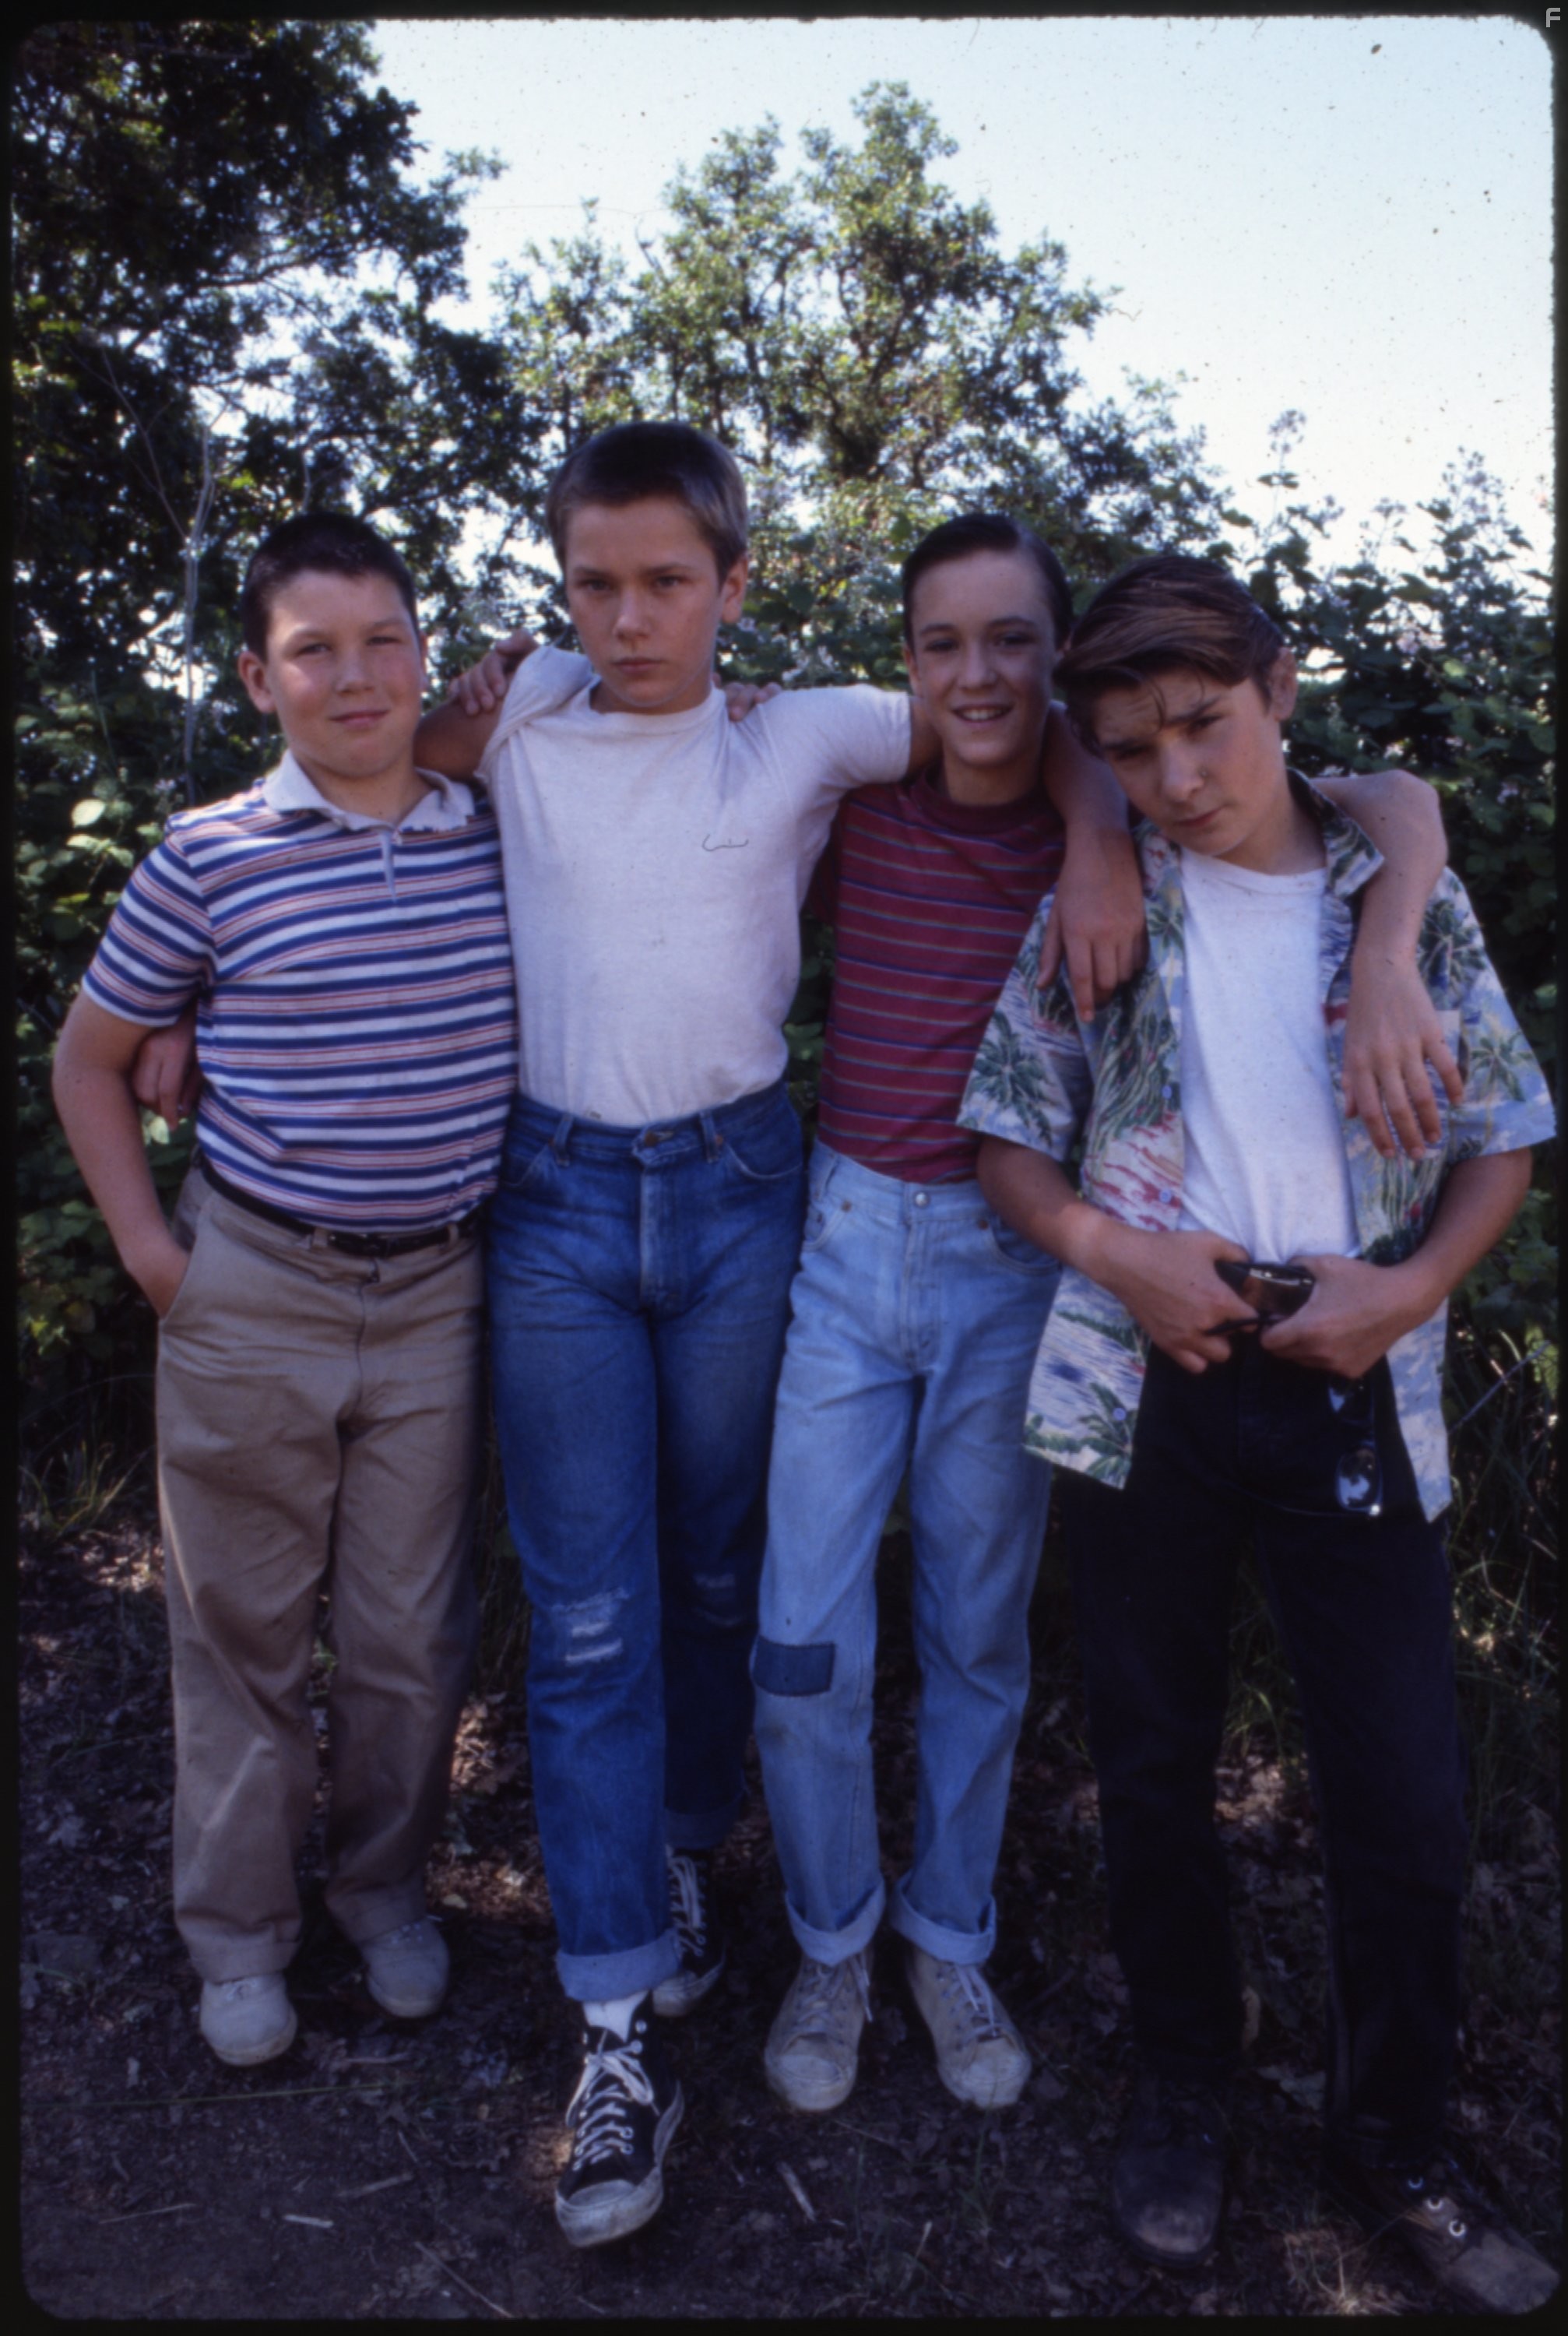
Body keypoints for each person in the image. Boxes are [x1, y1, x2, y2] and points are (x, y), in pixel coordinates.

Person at [410, 423, 1151, 2248]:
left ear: (738, 586)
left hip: (783, 1201)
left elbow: (1030, 721)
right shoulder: (524, 715)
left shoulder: (810, 729)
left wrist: (1100, 833)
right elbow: (381, 792)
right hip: (591, 1207)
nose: (630, 613)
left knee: (762, 1585)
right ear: (559, 586)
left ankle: (793, 1892)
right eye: (595, 581)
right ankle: (651, 2012)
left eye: (670, 579)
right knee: (617, 1609)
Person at [750, 517, 1454, 2122]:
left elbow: (1392, 809)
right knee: (799, 1645)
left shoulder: (1139, 806)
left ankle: (944, 1935)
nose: (974, 673)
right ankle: (829, 1936)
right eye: (939, 644)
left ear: (1057, 673)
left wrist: (1383, 923)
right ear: (907, 664)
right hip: (854, 1243)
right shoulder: (856, 799)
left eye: (1011, 642)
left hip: (1027, 1277)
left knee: (976, 1634)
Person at [959, 553, 1557, 2313]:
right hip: (1152, 1371)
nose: (1176, 777)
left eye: (1204, 728)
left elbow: (1500, 1135)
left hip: (1350, 1366)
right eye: (1131, 749)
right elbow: (1005, 1130)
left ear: (1277, 689)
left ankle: (1392, 2134)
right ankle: (1180, 2086)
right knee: (1147, 1763)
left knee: (1400, 1795)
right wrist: (1106, 1253)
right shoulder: (1103, 897)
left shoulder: (1395, 902)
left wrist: (1407, 1291)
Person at [51, 513, 516, 2070]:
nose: (355, 674)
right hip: (253, 1282)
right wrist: (152, 1258)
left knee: (405, 1631)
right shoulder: (209, 856)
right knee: (240, 1626)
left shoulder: (494, 829)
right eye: (315, 649)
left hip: (445, 1289)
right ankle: (238, 1934)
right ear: (259, 677)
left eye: (383, 638)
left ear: (423, 654)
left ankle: (382, 1893)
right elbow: (91, 1062)